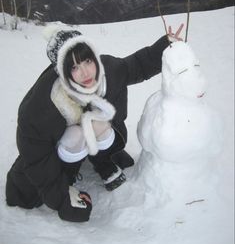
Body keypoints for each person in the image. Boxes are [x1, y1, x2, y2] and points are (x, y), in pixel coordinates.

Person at [5, 24, 184, 222]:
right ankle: (68, 174)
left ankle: (103, 161)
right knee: (76, 134)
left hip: (97, 133)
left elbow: (137, 64)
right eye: (74, 67)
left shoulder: (108, 70)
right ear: (62, 72)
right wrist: (63, 199)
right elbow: (37, 159)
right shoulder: (42, 106)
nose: (85, 73)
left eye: (87, 61)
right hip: (59, 150)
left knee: (99, 124)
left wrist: (166, 46)